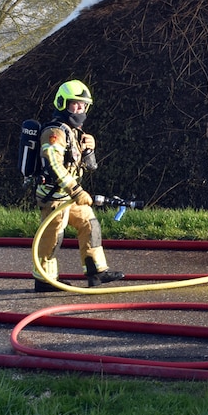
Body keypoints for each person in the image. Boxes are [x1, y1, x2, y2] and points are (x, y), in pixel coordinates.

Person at [32, 80, 124, 292]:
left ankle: (96, 272)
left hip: (69, 198)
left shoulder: (73, 132)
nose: (80, 109)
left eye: (83, 105)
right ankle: (45, 280)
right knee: (53, 235)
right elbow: (53, 163)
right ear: (63, 103)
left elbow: (82, 165)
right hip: (54, 197)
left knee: (89, 223)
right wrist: (76, 189)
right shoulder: (54, 132)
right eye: (75, 104)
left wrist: (89, 150)